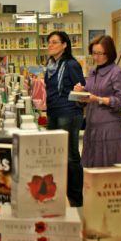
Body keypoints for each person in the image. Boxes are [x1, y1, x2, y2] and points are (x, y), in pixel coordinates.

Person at [44, 31, 86, 207]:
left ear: (64, 45)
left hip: (68, 113)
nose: (50, 45)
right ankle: (60, 194)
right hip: (53, 112)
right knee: (54, 156)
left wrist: (80, 88)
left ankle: (76, 199)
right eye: (49, 42)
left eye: (54, 42)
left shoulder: (71, 64)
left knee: (70, 156)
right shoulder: (50, 65)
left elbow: (81, 87)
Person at [74, 35, 121, 167]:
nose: (95, 57)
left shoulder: (118, 72)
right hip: (92, 126)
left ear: (109, 53)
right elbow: (88, 95)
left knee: (108, 172)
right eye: (93, 53)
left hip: (109, 128)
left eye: (99, 53)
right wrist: (80, 93)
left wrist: (98, 99)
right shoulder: (93, 71)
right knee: (91, 170)